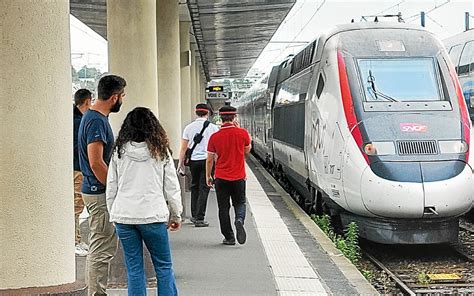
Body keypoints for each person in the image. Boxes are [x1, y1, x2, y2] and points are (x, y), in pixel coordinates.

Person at [106, 107, 182, 296]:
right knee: (163, 267)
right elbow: (171, 187)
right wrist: (176, 214)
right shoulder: (161, 152)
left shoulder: (119, 152)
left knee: (134, 269)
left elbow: (112, 187)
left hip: (124, 216)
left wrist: (113, 214)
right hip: (152, 216)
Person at [78, 74, 126, 295]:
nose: (122, 100)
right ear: (114, 97)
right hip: (99, 192)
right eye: (122, 96)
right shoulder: (97, 120)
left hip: (94, 190)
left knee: (102, 245)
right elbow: (96, 162)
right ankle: (97, 293)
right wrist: (116, 188)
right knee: (101, 248)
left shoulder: (92, 116)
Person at [206, 106, 251, 245]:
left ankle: (229, 237)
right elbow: (247, 151)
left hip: (221, 177)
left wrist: (208, 175)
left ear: (221, 118)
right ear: (234, 117)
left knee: (223, 208)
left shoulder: (214, 137)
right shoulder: (242, 133)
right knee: (240, 202)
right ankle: (239, 220)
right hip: (239, 177)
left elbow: (209, 159)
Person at [178, 103, 219, 227]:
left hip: (193, 162)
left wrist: (180, 164)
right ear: (207, 113)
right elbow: (216, 149)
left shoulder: (188, 128)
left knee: (195, 187)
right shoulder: (213, 128)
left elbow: (183, 148)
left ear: (196, 112)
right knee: (204, 188)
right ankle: (200, 218)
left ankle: (194, 215)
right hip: (208, 161)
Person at [73, 88, 92, 256]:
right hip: (78, 168)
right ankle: (75, 241)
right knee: (76, 206)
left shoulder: (71, 119)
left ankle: (76, 239)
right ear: (87, 102)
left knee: (76, 206)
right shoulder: (81, 122)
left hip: (73, 166)